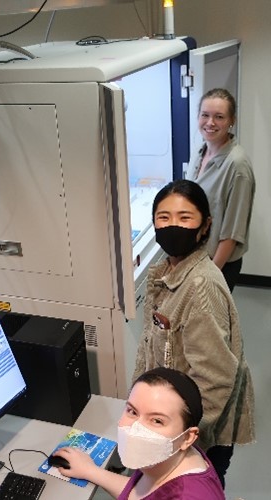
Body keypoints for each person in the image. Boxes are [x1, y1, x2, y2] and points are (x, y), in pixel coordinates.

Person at [132, 179, 255, 488]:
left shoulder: (199, 287)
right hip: (171, 424)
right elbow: (150, 347)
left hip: (194, 435)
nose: (173, 226)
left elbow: (215, 380)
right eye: (164, 218)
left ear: (205, 226)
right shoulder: (166, 271)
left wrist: (181, 440)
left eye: (185, 218)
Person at [52, 367, 226, 499]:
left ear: (187, 437)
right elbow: (139, 492)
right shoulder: (167, 461)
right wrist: (90, 471)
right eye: (132, 411)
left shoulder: (187, 495)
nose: (136, 429)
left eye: (157, 421)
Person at [186, 88, 255, 292]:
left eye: (219, 117)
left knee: (213, 322)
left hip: (218, 265)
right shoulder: (200, 151)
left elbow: (232, 233)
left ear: (231, 120)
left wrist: (210, 276)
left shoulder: (237, 166)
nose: (210, 122)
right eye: (205, 115)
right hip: (194, 258)